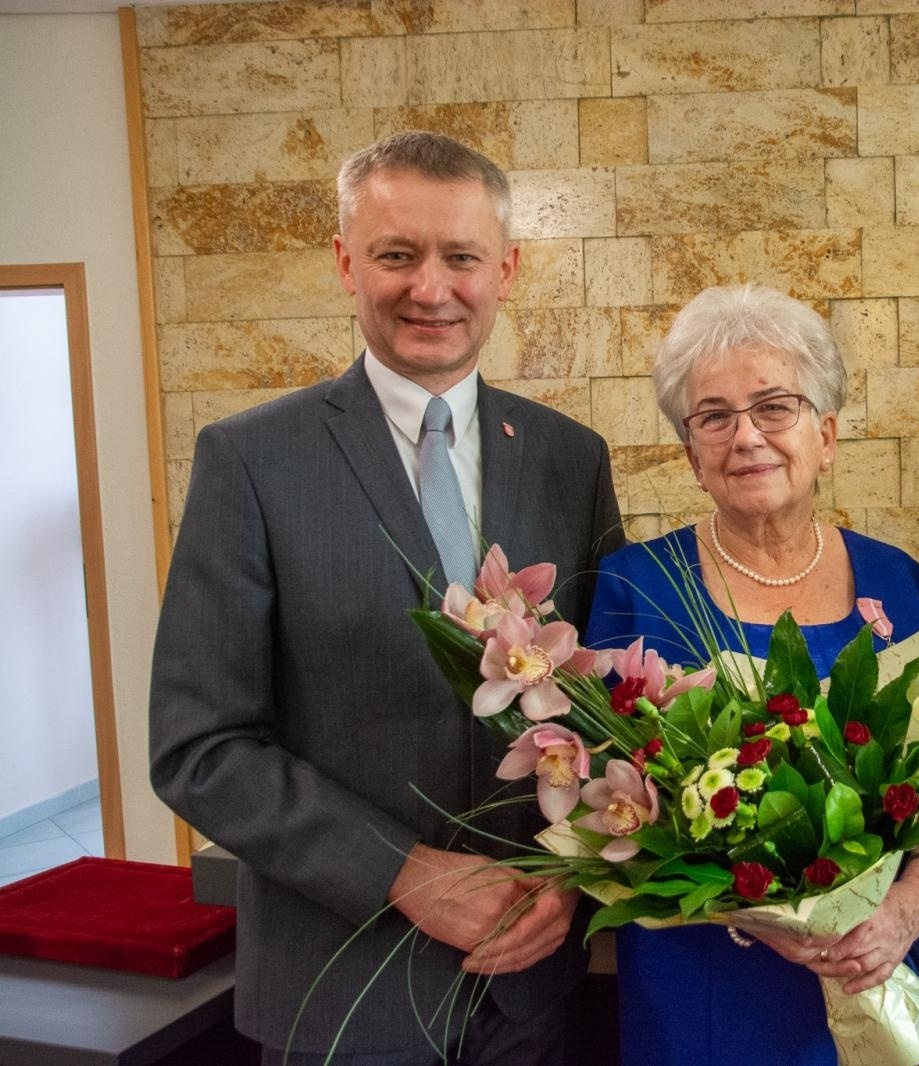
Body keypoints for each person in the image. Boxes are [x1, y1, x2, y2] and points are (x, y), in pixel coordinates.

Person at [149, 131, 623, 1064]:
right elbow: (200, 746)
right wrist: (402, 873)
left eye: (462, 257)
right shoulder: (250, 462)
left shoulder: (572, 459)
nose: (431, 288)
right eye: (397, 255)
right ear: (344, 262)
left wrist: (576, 876)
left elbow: (608, 707)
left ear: (507, 269)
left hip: (533, 990)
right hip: (340, 992)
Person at [583, 283, 919, 1065]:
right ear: (691, 455)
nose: (745, 436)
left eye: (774, 407)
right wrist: (776, 918)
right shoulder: (634, 590)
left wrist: (906, 913)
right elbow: (602, 808)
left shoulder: (902, 584)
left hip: (878, 970)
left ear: (825, 434)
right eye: (714, 417)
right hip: (706, 987)